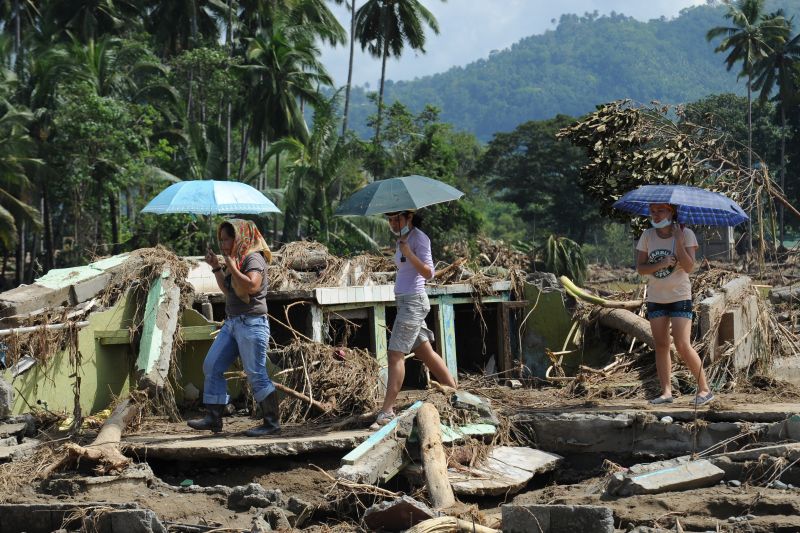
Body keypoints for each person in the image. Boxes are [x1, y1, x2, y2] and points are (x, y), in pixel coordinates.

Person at [187, 219, 281, 436]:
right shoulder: (236, 259)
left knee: (256, 373)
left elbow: (252, 285)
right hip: (232, 323)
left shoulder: (252, 258)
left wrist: (230, 265)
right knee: (212, 365)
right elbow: (228, 291)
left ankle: (271, 423)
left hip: (251, 323)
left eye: (227, 239)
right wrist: (216, 267)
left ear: (240, 237)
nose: (223, 244)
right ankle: (214, 417)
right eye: (221, 239)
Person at [373, 211, 458, 428]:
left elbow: (429, 273)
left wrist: (409, 253)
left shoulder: (419, 238)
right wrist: (404, 249)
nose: (393, 223)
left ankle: (386, 411)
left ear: (409, 217)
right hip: (405, 302)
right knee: (424, 351)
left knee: (395, 353)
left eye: (397, 219)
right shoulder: (403, 239)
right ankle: (454, 393)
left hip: (413, 303)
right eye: (390, 220)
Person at [636, 203, 713, 406]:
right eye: (652, 211)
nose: (655, 214)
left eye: (660, 210)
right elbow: (641, 268)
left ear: (671, 212)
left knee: (682, 344)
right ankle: (666, 392)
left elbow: (688, 267)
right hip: (656, 298)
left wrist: (678, 241)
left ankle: (705, 390)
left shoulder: (686, 234)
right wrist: (660, 264)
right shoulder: (647, 236)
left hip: (680, 296)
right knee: (661, 345)